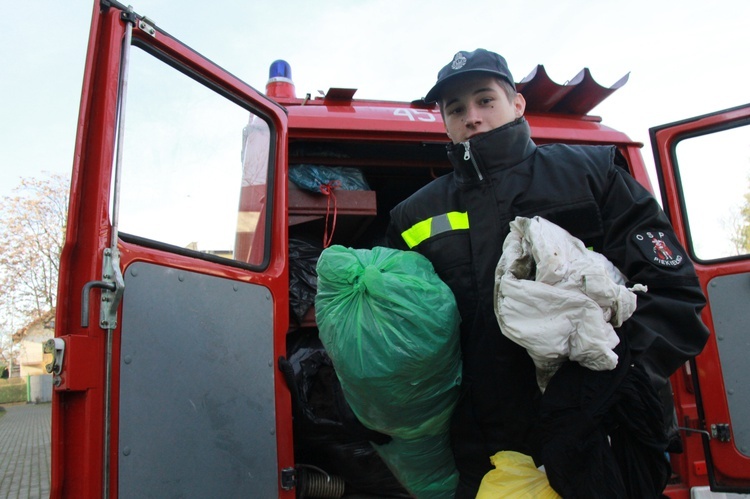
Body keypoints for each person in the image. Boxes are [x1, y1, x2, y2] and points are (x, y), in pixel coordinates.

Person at [385, 49, 710, 498]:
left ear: (517, 104)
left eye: (485, 100)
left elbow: (673, 296)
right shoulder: (412, 214)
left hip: (605, 438)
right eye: (456, 109)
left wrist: (604, 385)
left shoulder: (592, 175)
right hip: (482, 456)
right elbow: (399, 329)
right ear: (443, 120)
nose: (472, 117)